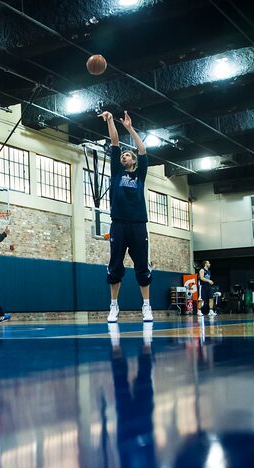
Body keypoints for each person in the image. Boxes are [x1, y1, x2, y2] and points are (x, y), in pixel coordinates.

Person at [99, 110, 152, 323]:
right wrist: (111, 121)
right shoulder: (116, 173)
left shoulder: (140, 174)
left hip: (138, 224)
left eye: (127, 155)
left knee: (142, 265)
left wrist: (130, 128)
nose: (124, 156)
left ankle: (146, 306)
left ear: (134, 161)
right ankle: (114, 306)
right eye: (123, 155)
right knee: (115, 265)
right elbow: (114, 142)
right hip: (119, 224)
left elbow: (142, 149)